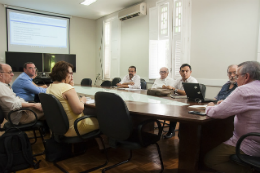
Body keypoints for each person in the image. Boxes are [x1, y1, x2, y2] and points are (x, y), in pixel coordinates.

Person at [204, 61, 260, 173]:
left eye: (237, 76)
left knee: (210, 160)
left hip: (249, 143)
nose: (235, 79)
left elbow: (216, 113)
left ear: (247, 77)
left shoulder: (244, 90)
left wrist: (209, 107)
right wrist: (225, 104)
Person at [46, 61, 99, 137]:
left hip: (59, 127)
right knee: (103, 121)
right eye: (70, 73)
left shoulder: (50, 87)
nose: (72, 76)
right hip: (75, 127)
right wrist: (82, 100)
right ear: (63, 73)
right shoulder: (66, 88)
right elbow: (78, 110)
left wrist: (69, 86)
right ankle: (105, 144)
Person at [164, 63, 198, 139]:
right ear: (180, 72)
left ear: (190, 72)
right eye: (182, 71)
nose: (184, 73)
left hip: (190, 103)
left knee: (179, 112)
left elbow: (187, 93)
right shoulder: (178, 80)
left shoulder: (193, 80)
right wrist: (170, 88)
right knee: (172, 110)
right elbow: (172, 87)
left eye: (187, 71)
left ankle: (182, 133)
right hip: (179, 101)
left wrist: (175, 89)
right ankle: (171, 131)